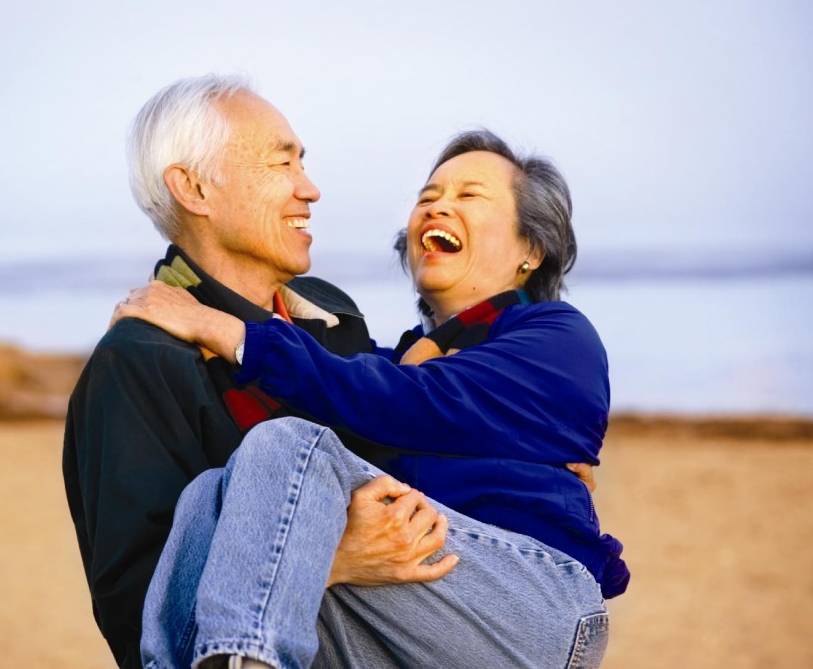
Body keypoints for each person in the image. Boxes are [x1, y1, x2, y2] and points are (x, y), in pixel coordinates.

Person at [113, 129, 629, 668]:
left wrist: (215, 326)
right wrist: (171, 320)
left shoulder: (556, 337)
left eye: (468, 195)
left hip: (529, 602)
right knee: (209, 498)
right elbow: (344, 401)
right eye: (427, 198)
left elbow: (398, 403)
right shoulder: (394, 363)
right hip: (415, 611)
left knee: (288, 443)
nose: (437, 208)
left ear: (531, 248)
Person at [62, 75, 465, 669]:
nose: (311, 189)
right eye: (282, 163)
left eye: (304, 162)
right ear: (194, 188)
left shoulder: (332, 314)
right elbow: (135, 617)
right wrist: (327, 559)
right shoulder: (139, 362)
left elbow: (399, 436)